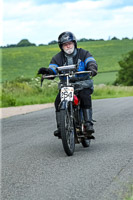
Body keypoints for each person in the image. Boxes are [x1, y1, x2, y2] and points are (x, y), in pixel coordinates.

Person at [38, 31, 98, 137]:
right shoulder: (57, 58)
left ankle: (88, 124)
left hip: (83, 84)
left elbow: (91, 61)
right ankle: (61, 127)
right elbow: (53, 69)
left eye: (70, 43)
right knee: (58, 102)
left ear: (74, 43)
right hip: (66, 86)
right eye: (65, 44)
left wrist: (92, 68)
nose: (68, 46)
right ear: (61, 46)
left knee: (85, 96)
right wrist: (48, 72)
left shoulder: (84, 53)